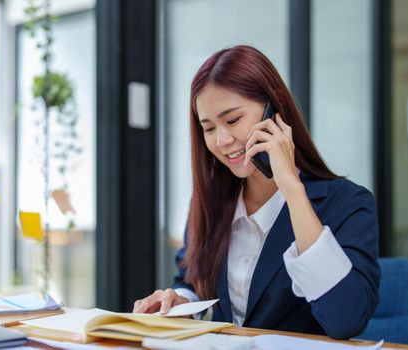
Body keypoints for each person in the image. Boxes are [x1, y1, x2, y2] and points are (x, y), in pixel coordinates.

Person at [133, 45, 380, 339]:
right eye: (209, 128)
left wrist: (291, 187)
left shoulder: (348, 204)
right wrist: (183, 301)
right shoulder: (212, 204)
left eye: (233, 120)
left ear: (274, 110)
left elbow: (347, 319)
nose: (223, 140)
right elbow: (192, 279)